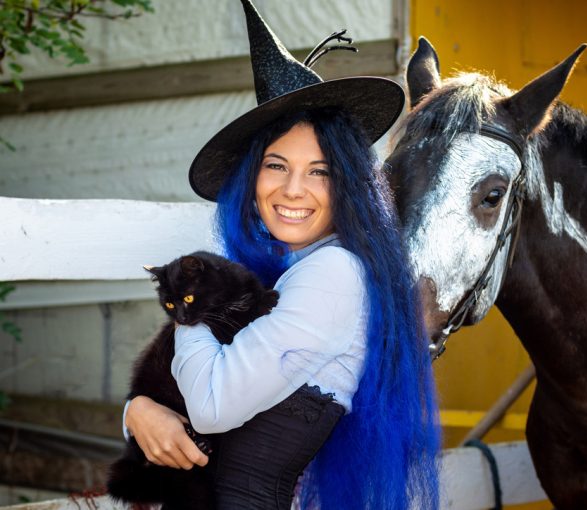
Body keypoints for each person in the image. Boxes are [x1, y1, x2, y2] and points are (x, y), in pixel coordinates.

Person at [122, 1, 441, 508]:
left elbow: (208, 406)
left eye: (320, 171)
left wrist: (188, 312)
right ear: (251, 181)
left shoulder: (333, 273)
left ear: (349, 187)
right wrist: (137, 409)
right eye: (276, 165)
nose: (294, 190)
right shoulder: (293, 271)